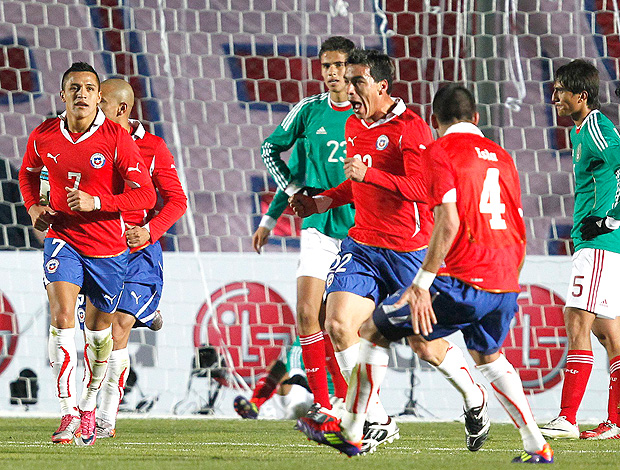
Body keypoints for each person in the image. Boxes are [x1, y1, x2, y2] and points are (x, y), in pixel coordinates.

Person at [299, 84, 554, 463]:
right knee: (489, 357)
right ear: (477, 119)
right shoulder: (503, 156)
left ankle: (353, 432)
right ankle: (537, 446)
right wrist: (510, 280)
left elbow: (447, 220)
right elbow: (519, 227)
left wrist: (422, 283)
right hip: (503, 279)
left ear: (435, 122)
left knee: (374, 331)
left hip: (455, 277)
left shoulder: (438, 149)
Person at [290, 51, 487, 454]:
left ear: (381, 85)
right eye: (346, 80)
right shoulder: (351, 124)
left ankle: (474, 398)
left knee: (424, 346)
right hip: (362, 245)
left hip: (407, 252)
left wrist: (371, 175)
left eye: (357, 81)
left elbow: (423, 189)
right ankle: (377, 418)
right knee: (338, 323)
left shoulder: (411, 129)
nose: (348, 89)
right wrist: (322, 202)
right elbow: (355, 185)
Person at [18, 62, 156, 445]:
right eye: (74, 87)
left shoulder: (116, 138)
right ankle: (66, 413)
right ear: (62, 95)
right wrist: (33, 209)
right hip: (63, 238)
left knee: (99, 337)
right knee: (62, 316)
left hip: (109, 249)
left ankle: (89, 404)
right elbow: (27, 175)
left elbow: (146, 194)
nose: (81, 93)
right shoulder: (44, 135)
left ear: (99, 97)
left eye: (89, 88)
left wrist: (98, 201)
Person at [254, 36, 354, 414]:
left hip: (358, 232)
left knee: (340, 322)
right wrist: (289, 197)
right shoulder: (309, 112)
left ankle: (353, 398)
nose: (332, 73)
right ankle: (326, 405)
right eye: (326, 66)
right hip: (317, 227)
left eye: (339, 65)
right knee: (308, 314)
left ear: (352, 68)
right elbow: (272, 151)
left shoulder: (365, 116)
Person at [89, 78, 187, 437]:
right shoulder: (86, 142)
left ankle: (104, 419)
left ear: (121, 109)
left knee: (118, 328)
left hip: (139, 251)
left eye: (100, 106)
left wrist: (150, 230)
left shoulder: (152, 148)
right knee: (96, 337)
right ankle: (148, 311)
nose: (91, 112)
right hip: (98, 249)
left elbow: (177, 200)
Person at [540, 59, 620, 440]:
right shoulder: (582, 131)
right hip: (597, 244)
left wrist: (610, 220)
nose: (554, 97)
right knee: (609, 334)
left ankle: (567, 417)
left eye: (560, 91)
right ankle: (616, 421)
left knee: (576, 319)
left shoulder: (598, 130)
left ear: (581, 96)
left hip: (600, 243)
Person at [234, 337, 314, 420]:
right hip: (307, 390)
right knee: (277, 366)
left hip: (325, 395)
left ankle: (297, 413)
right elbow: (295, 365)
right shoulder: (308, 335)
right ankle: (254, 405)